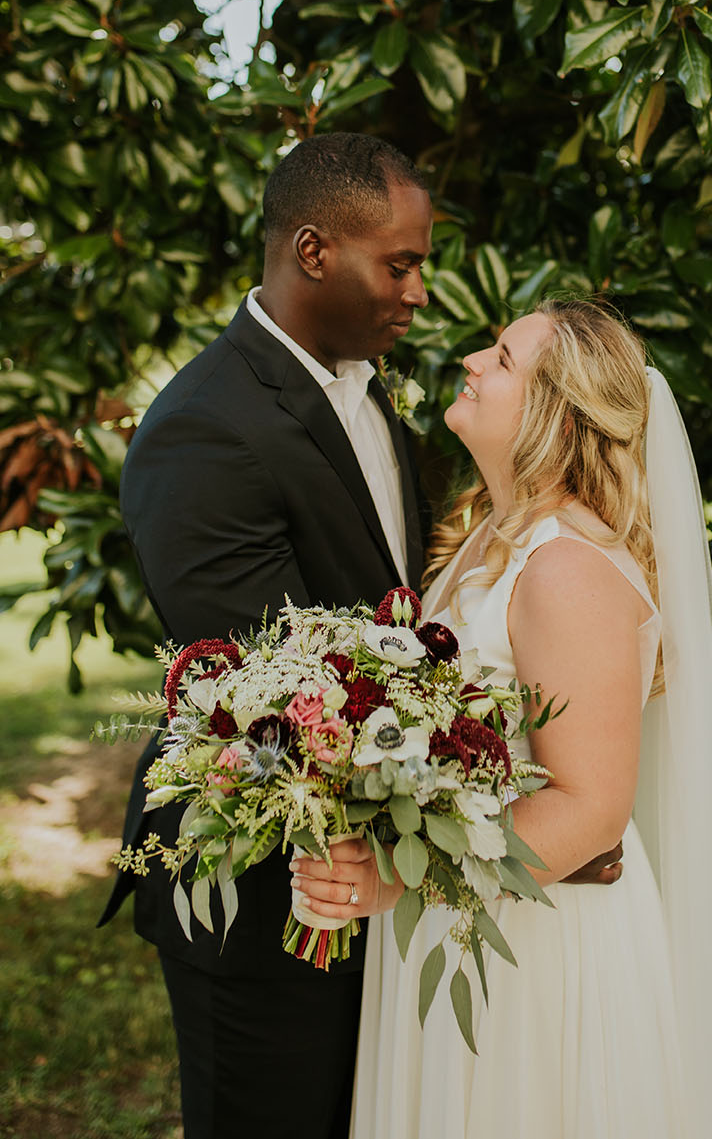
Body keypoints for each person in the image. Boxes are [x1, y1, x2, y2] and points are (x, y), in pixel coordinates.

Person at [100, 135, 621, 1139]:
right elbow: (284, 695)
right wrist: (527, 824)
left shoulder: (366, 385)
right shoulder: (202, 429)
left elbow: (405, 630)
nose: (419, 292)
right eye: (400, 263)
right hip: (265, 889)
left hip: (382, 886)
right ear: (311, 251)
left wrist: (546, 812)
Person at [293, 300, 712, 1138]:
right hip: (462, 917)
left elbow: (590, 808)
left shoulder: (565, 568)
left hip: (534, 947)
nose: (474, 359)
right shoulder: (490, 537)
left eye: (504, 358)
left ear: (556, 413)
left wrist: (394, 876)